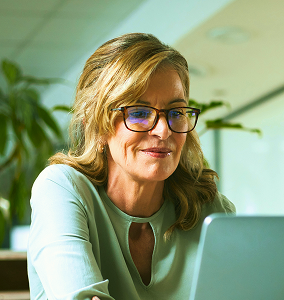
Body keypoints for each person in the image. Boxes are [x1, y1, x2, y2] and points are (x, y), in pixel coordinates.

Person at [26, 33, 236, 300]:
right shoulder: (61, 188)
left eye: (176, 112)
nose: (163, 131)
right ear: (98, 125)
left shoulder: (210, 210)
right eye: (139, 112)